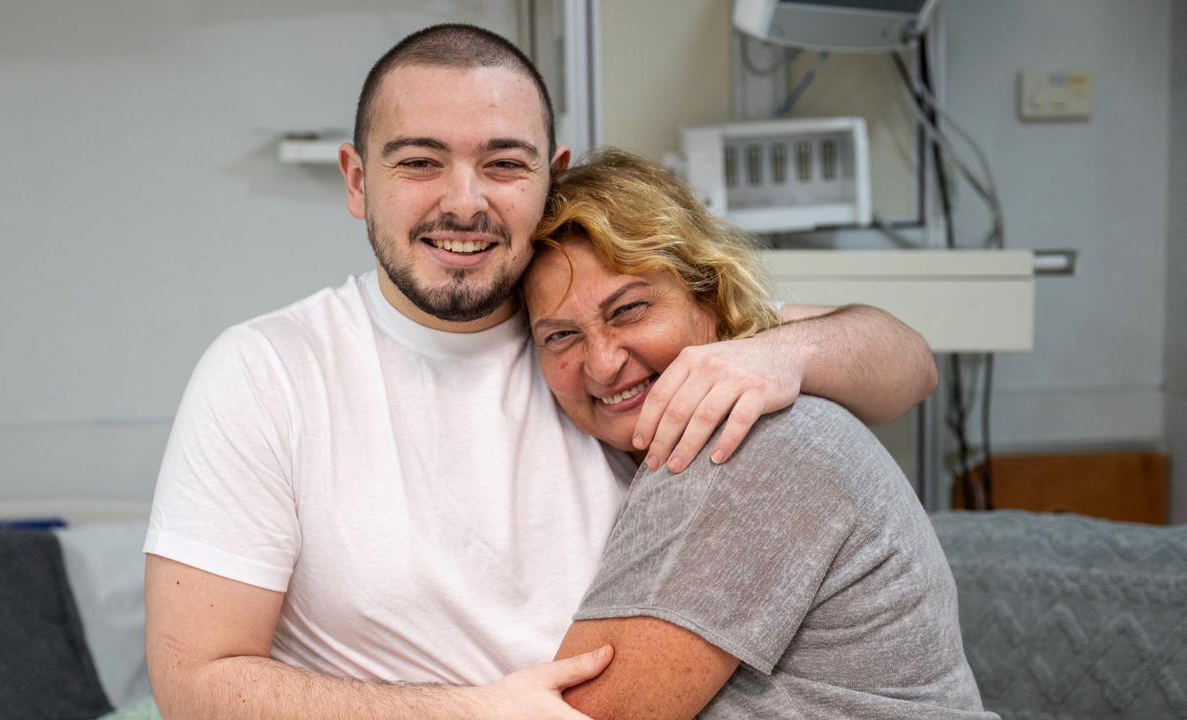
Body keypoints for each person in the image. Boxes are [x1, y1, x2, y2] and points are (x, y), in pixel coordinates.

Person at [143, 23, 938, 720]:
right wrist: (467, 715)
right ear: (358, 180)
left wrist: (783, 352)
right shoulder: (268, 372)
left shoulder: (620, 340)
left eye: (503, 163)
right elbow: (196, 687)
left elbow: (905, 362)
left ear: (549, 174)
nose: (464, 202)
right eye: (420, 161)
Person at [523, 148, 993, 719]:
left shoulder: (734, 442)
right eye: (561, 336)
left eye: (629, 311)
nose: (601, 363)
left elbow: (586, 718)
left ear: (710, 295)